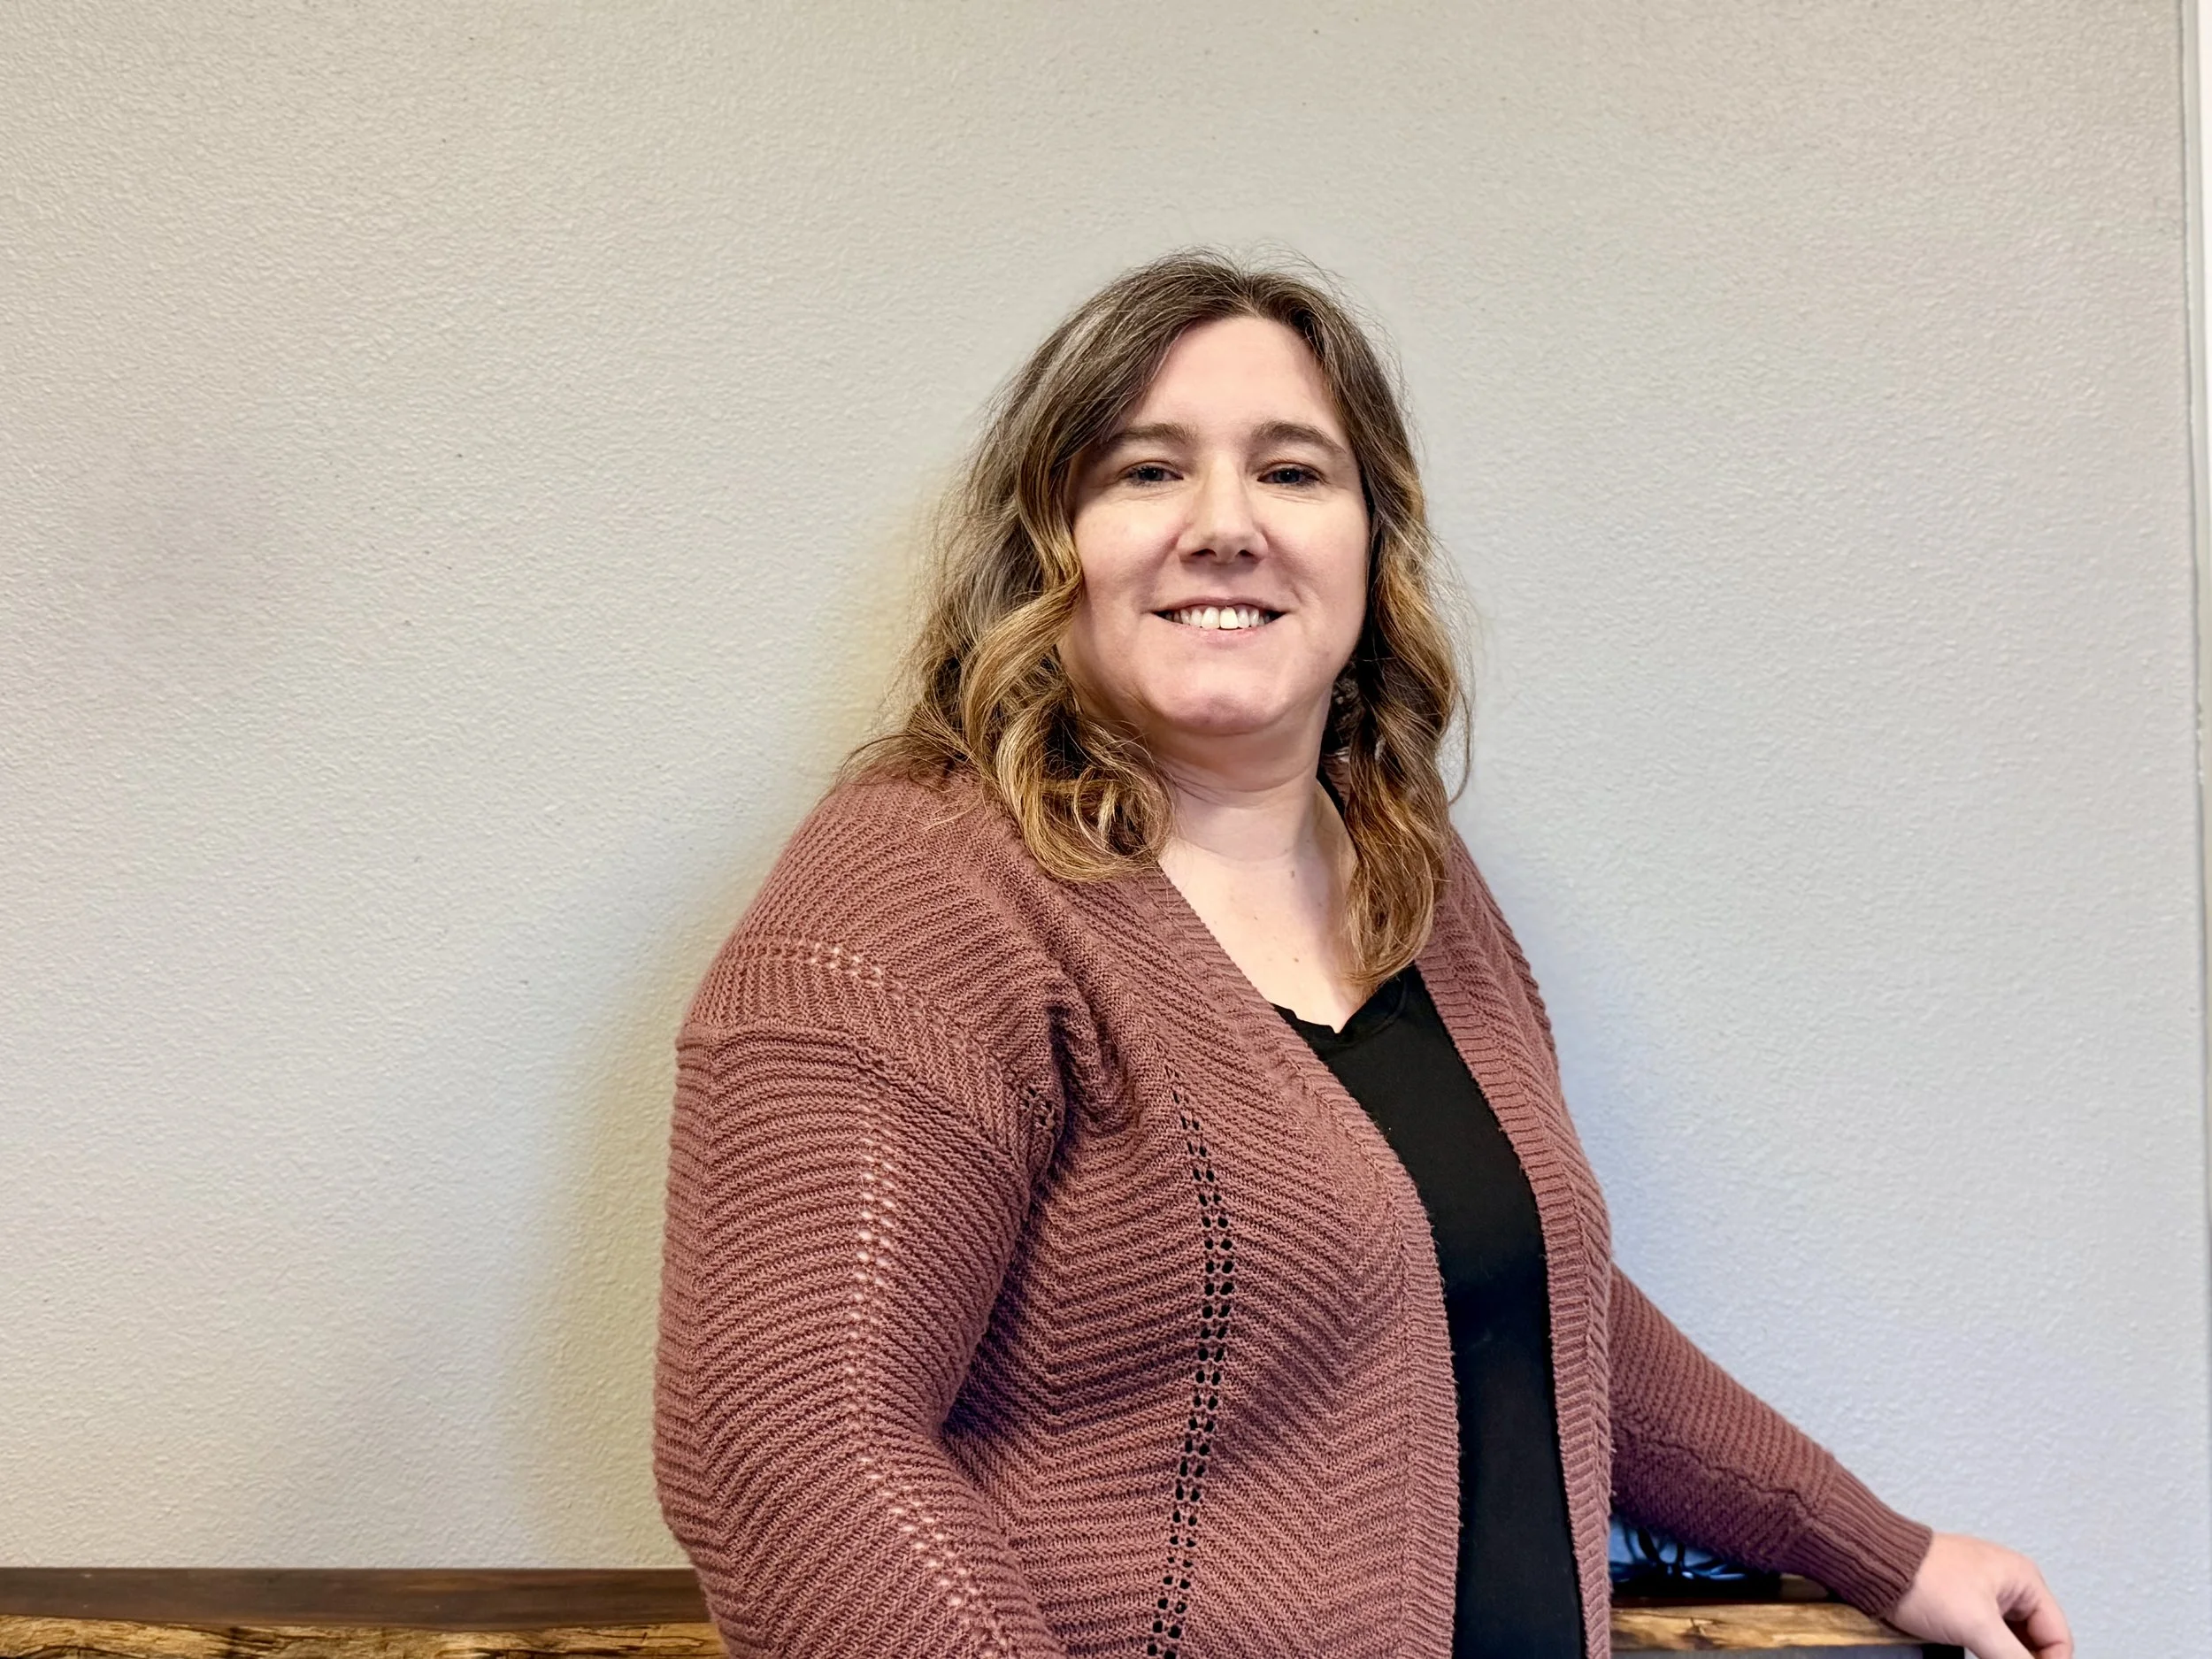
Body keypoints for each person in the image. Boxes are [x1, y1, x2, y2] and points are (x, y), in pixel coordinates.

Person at [651, 250, 2071, 1659]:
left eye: (1292, 471)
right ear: (1048, 543)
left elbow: (1533, 1301)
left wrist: (1879, 1545)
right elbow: (783, 1443)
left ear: (1372, 545)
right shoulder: (916, 890)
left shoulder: (1418, 878)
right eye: (1146, 471)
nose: (1225, 525)